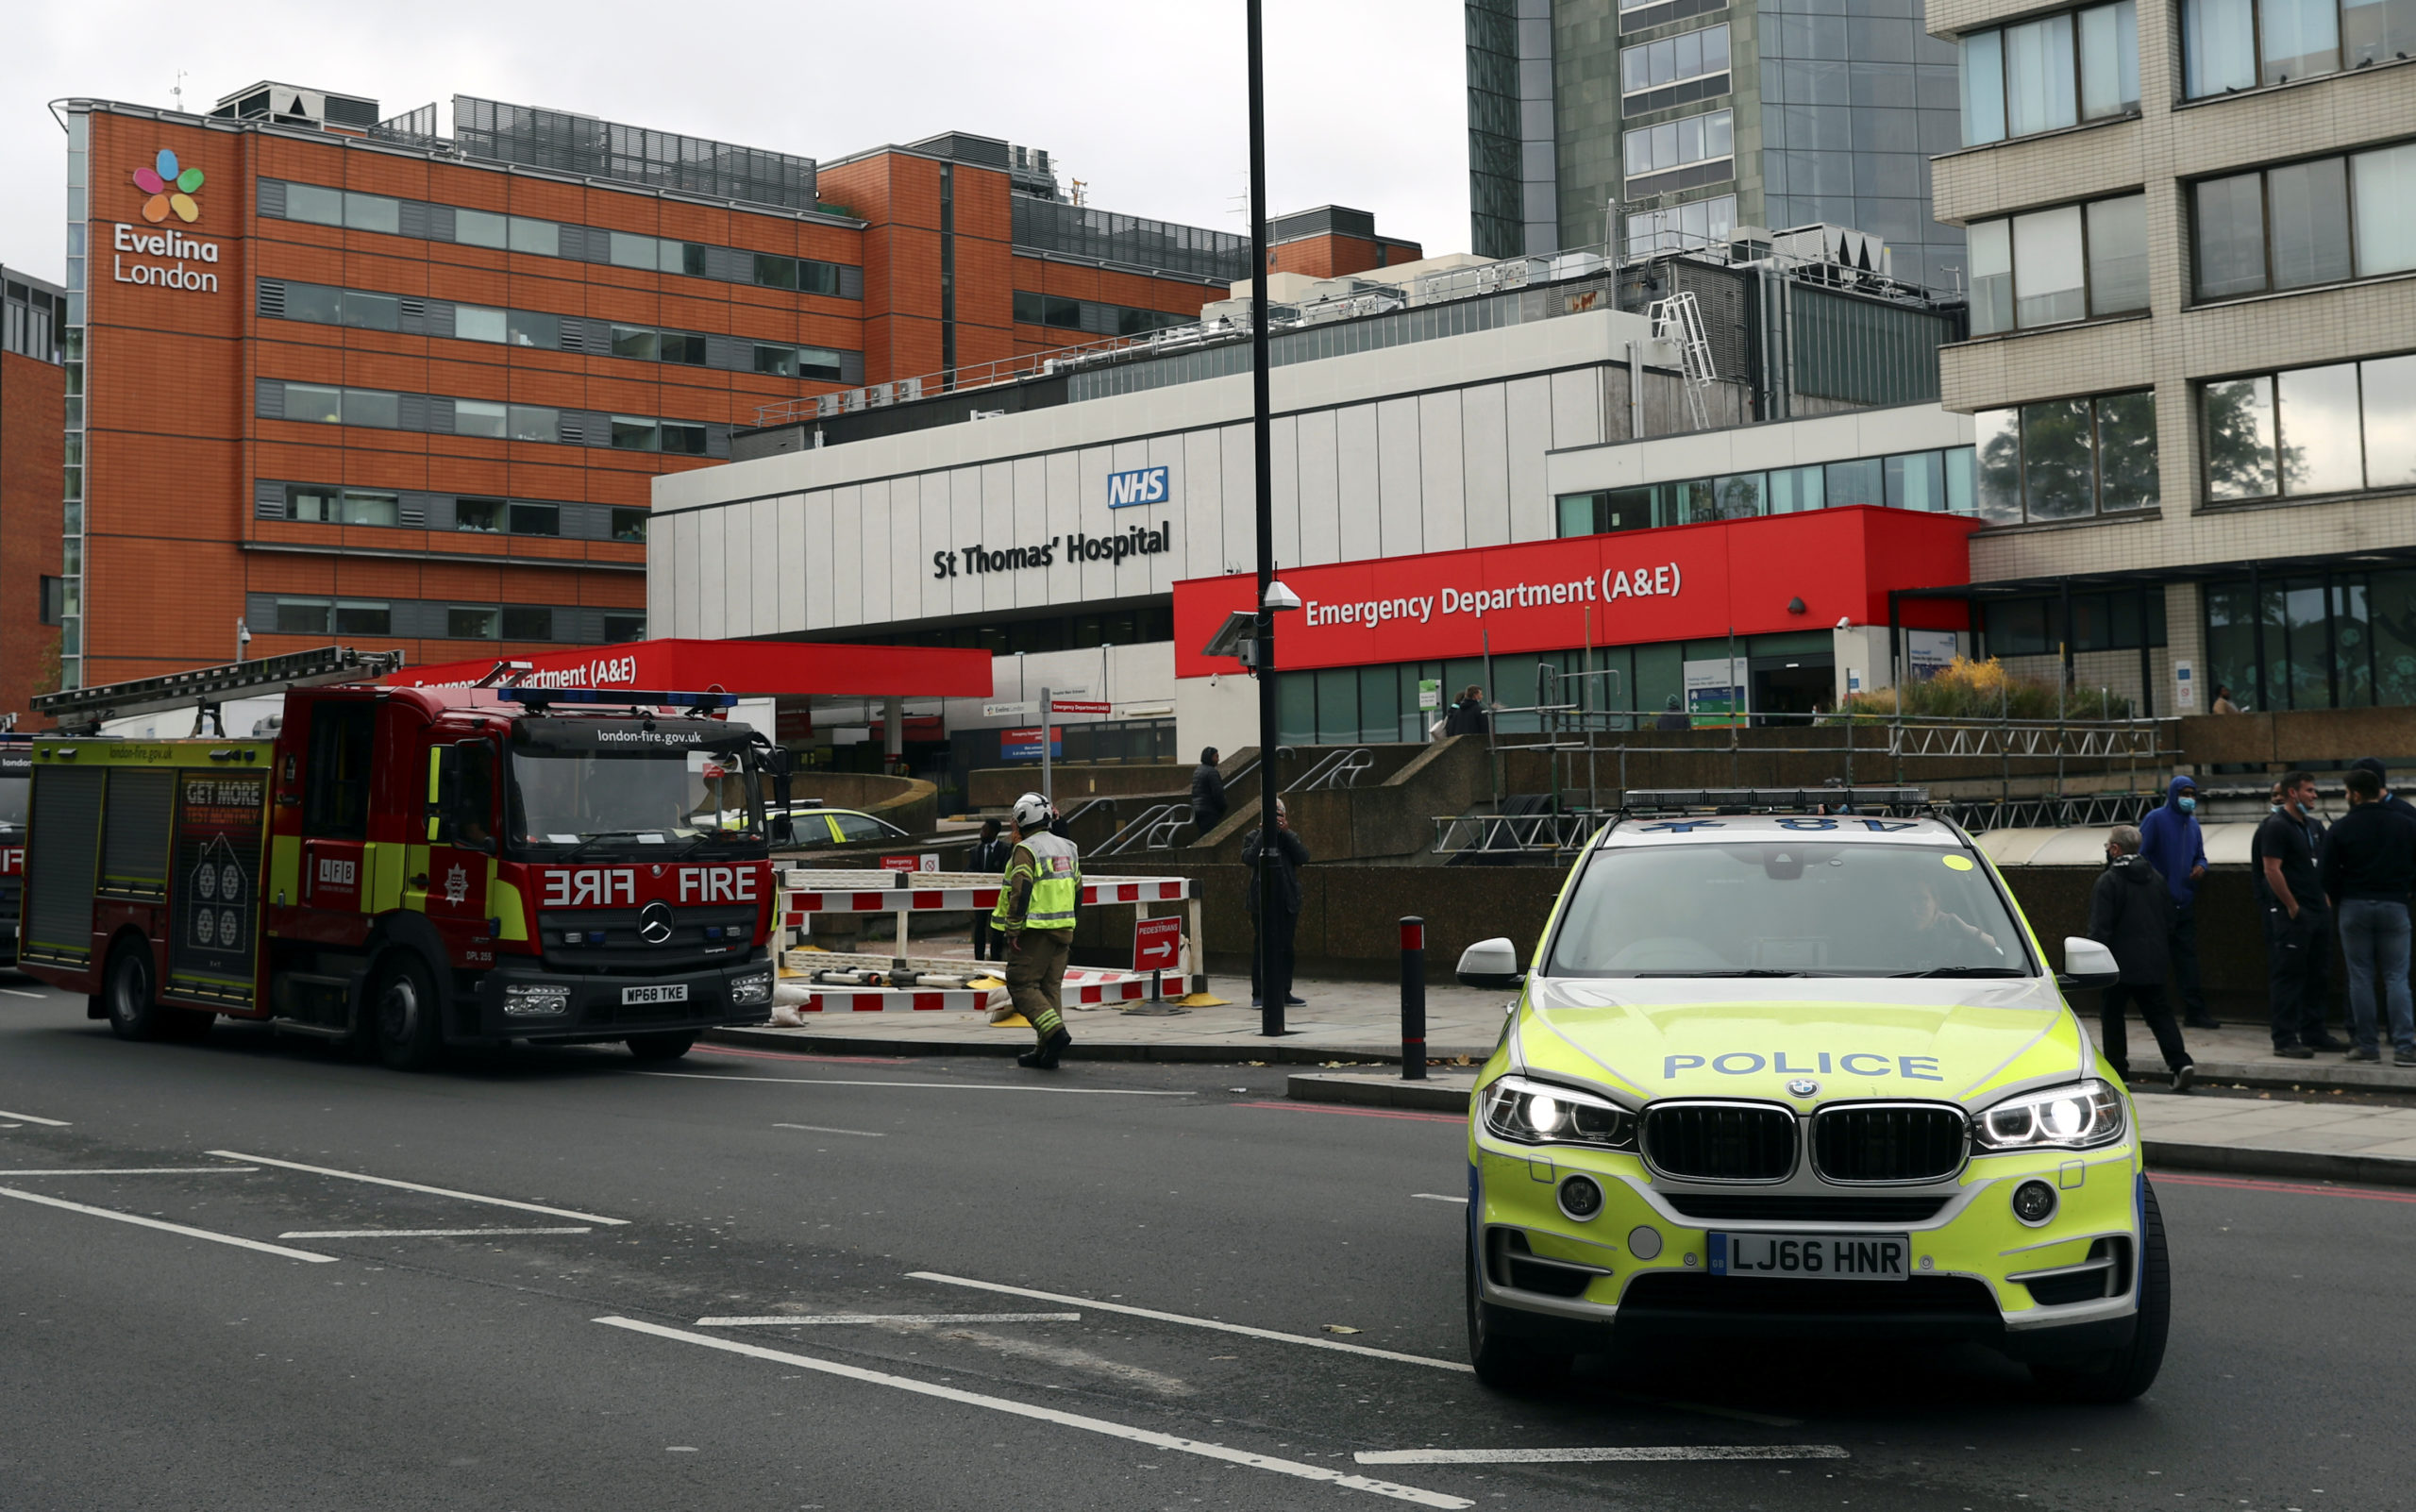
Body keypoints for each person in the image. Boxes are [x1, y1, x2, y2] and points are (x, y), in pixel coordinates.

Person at [2320, 766, 2416, 1066]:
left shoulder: (2341, 828)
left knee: (2360, 977)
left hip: (2354, 906)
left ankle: (2367, 1045)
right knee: (2397, 978)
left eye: (2347, 792)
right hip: (2395, 906)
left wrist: (2338, 898)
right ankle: (2404, 1047)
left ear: (2357, 794)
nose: (2346, 797)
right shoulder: (2406, 824)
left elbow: (2325, 875)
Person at [2089, 825, 2196, 1092]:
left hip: (2119, 965)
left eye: (2108, 847)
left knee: (2112, 1016)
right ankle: (2180, 1063)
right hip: (2153, 961)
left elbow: (2100, 928)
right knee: (2160, 1015)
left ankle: (2119, 1072)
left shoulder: (2109, 881)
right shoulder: (2156, 878)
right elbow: (2169, 920)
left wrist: (2093, 963)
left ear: (2115, 849)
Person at [992, 791, 1079, 1069]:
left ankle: (1054, 1035)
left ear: (1021, 819)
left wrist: (1013, 929)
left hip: (1035, 930)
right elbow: (1079, 891)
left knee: (1021, 984)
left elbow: (1021, 889)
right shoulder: (1068, 847)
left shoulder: (1026, 850)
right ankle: (1045, 1052)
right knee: (1049, 988)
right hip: (1064, 927)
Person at [2258, 771, 2340, 1058]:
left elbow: (2323, 866)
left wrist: (2325, 899)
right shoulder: (2277, 826)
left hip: (2319, 911)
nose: (2314, 795)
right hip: (2293, 915)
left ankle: (2314, 1031)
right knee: (2290, 975)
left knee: (2318, 973)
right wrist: (2292, 906)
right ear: (2293, 793)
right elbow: (2271, 869)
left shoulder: (2315, 826)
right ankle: (2284, 1038)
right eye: (2310, 790)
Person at [2138, 775, 2219, 1030]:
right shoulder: (2155, 819)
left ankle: (2194, 1011)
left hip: (2185, 902)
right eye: (2184, 794)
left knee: (2188, 961)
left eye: (2193, 794)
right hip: (2160, 904)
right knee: (2158, 960)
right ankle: (2156, 1011)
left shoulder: (2193, 825)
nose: (2189, 799)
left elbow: (2201, 856)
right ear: (2173, 794)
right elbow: (2141, 855)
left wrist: (2200, 867)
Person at [1243, 798, 1309, 1011]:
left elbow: (1303, 857)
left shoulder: (1290, 837)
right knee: (1262, 946)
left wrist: (1286, 833)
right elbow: (1249, 858)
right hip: (1262, 901)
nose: (1276, 819)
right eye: (1273, 816)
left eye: (1279, 815)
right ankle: (1260, 993)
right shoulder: (1253, 836)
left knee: (1286, 948)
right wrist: (1265, 833)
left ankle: (1284, 991)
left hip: (1287, 900)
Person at [966, 817, 1012, 962]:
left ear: (993, 832)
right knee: (979, 927)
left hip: (997, 896)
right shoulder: (976, 850)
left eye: (984, 830)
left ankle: (995, 958)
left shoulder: (1005, 850)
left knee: (996, 929)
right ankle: (978, 958)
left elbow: (1005, 870)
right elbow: (970, 869)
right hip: (980, 895)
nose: (982, 833)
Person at [1190, 747, 1228, 838]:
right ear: (1210, 757)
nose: (1218, 759)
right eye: (1216, 757)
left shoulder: (1198, 770)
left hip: (1197, 809)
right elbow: (1218, 792)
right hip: (1209, 810)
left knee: (1203, 835)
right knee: (1209, 836)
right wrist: (1223, 807)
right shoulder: (1212, 772)